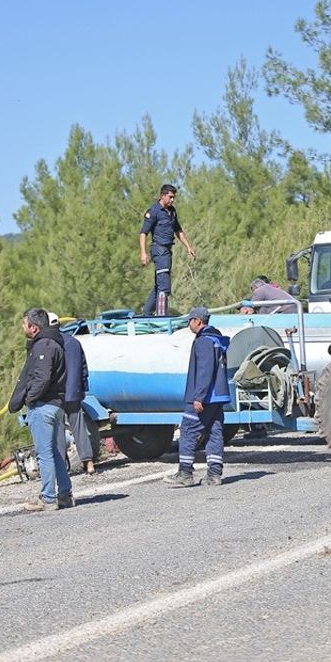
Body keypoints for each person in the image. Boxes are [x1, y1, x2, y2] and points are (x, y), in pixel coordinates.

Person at [9, 308, 74, 510]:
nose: (22, 327)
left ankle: (48, 498)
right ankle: (65, 495)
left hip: (44, 406)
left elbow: (42, 378)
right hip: (56, 406)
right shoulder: (55, 343)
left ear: (33, 327)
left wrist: (30, 398)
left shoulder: (43, 346)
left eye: (24, 323)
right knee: (54, 452)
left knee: (44, 454)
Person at [165, 307, 231, 487]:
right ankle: (214, 474)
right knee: (214, 433)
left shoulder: (203, 341)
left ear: (198, 321)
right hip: (218, 396)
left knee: (187, 431)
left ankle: (185, 474)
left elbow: (204, 370)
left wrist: (198, 397)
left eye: (190, 320)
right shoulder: (217, 339)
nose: (188, 324)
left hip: (205, 397)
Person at [139, 184, 196, 315]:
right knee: (164, 286)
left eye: (173, 197)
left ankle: (146, 313)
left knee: (159, 285)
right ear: (162, 196)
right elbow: (143, 233)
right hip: (159, 250)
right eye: (170, 197)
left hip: (168, 250)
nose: (172, 200)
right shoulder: (154, 211)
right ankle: (162, 316)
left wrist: (188, 247)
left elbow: (178, 230)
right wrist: (143, 253)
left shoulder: (172, 211)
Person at [54, 313, 99, 476]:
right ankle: (89, 463)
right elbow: (84, 368)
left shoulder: (48, 344)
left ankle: (62, 468)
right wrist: (83, 388)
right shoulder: (74, 342)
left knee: (57, 431)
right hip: (74, 392)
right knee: (79, 428)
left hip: (56, 395)